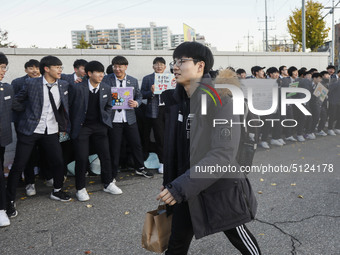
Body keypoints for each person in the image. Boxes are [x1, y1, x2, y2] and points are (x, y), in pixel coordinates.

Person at [157, 42, 261, 255]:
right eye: (174, 62)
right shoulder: (179, 102)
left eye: (181, 61)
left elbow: (222, 154)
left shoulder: (221, 99)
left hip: (219, 186)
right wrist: (172, 183)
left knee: (239, 236)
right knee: (176, 244)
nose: (175, 67)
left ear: (200, 66)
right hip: (187, 185)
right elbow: (176, 151)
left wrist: (179, 186)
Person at [6, 55, 71, 219]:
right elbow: (16, 101)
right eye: (57, 67)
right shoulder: (32, 83)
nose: (60, 70)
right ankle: (8, 200)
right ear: (47, 69)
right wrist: (26, 115)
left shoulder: (63, 84)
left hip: (51, 130)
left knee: (57, 161)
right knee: (19, 164)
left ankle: (57, 190)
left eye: (61, 67)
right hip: (30, 129)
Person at [68, 61, 122, 201]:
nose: (101, 75)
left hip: (100, 126)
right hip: (82, 127)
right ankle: (80, 188)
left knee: (105, 155)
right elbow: (69, 107)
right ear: (89, 73)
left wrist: (105, 119)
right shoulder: (77, 88)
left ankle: (108, 183)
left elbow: (110, 106)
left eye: (102, 72)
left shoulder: (106, 87)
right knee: (81, 157)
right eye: (98, 72)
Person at [103, 56, 154, 179]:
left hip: (130, 118)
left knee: (136, 144)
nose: (117, 69)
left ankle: (140, 167)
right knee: (115, 147)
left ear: (126, 67)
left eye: (120, 66)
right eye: (115, 66)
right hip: (114, 119)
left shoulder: (133, 80)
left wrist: (136, 103)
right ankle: (113, 173)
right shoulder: (106, 79)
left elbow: (139, 96)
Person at [11, 59, 42, 196]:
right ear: (25, 70)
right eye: (31, 68)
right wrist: (27, 111)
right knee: (27, 155)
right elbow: (14, 102)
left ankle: (47, 177)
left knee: (46, 152)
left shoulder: (47, 81)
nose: (34, 70)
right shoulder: (17, 82)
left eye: (37, 67)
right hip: (25, 125)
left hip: (45, 125)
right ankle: (30, 182)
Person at [141, 57, 166, 174]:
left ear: (165, 67)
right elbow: (141, 95)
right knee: (159, 136)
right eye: (157, 64)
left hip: (168, 110)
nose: (159, 66)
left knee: (169, 136)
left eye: (161, 64)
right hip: (154, 110)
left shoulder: (170, 78)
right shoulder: (147, 78)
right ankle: (162, 162)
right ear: (153, 66)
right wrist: (151, 91)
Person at [0, 53, 13, 227]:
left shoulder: (6, 88)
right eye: (2, 67)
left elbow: (17, 106)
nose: (3, 71)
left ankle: (2, 209)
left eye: (5, 67)